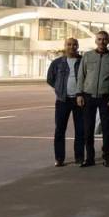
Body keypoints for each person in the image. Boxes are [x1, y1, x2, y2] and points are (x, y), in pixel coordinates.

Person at [76, 30, 109, 167]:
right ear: (96, 41)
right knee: (88, 128)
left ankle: (106, 156)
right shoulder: (87, 56)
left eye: (104, 39)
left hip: (105, 98)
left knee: (106, 128)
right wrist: (79, 94)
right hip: (88, 97)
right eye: (99, 39)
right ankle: (90, 158)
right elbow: (81, 75)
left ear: (108, 41)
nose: (102, 41)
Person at [46, 37, 83, 167]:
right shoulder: (57, 63)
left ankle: (79, 157)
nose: (72, 47)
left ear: (77, 46)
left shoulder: (82, 61)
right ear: (65, 46)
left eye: (74, 44)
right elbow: (50, 79)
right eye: (69, 44)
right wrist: (59, 89)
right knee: (60, 130)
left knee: (80, 130)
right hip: (62, 100)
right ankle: (59, 158)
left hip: (79, 100)